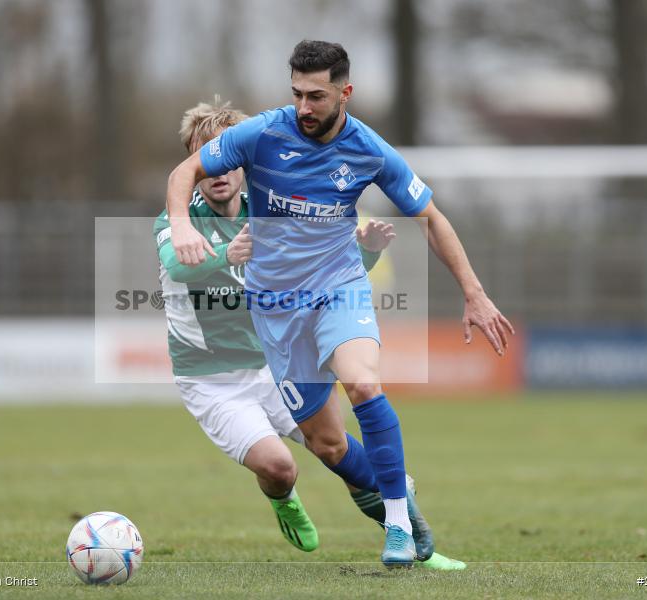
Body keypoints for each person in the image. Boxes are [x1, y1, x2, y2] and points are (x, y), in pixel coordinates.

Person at [166, 41, 512, 568]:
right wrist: (183, 223)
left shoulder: (370, 150)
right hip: (276, 311)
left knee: (364, 382)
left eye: (317, 96)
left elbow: (432, 219)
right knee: (327, 445)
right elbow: (181, 174)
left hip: (337, 287)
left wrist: (474, 292)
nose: (304, 107)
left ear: (345, 92)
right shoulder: (262, 132)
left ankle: (396, 523)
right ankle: (405, 509)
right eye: (297, 94)